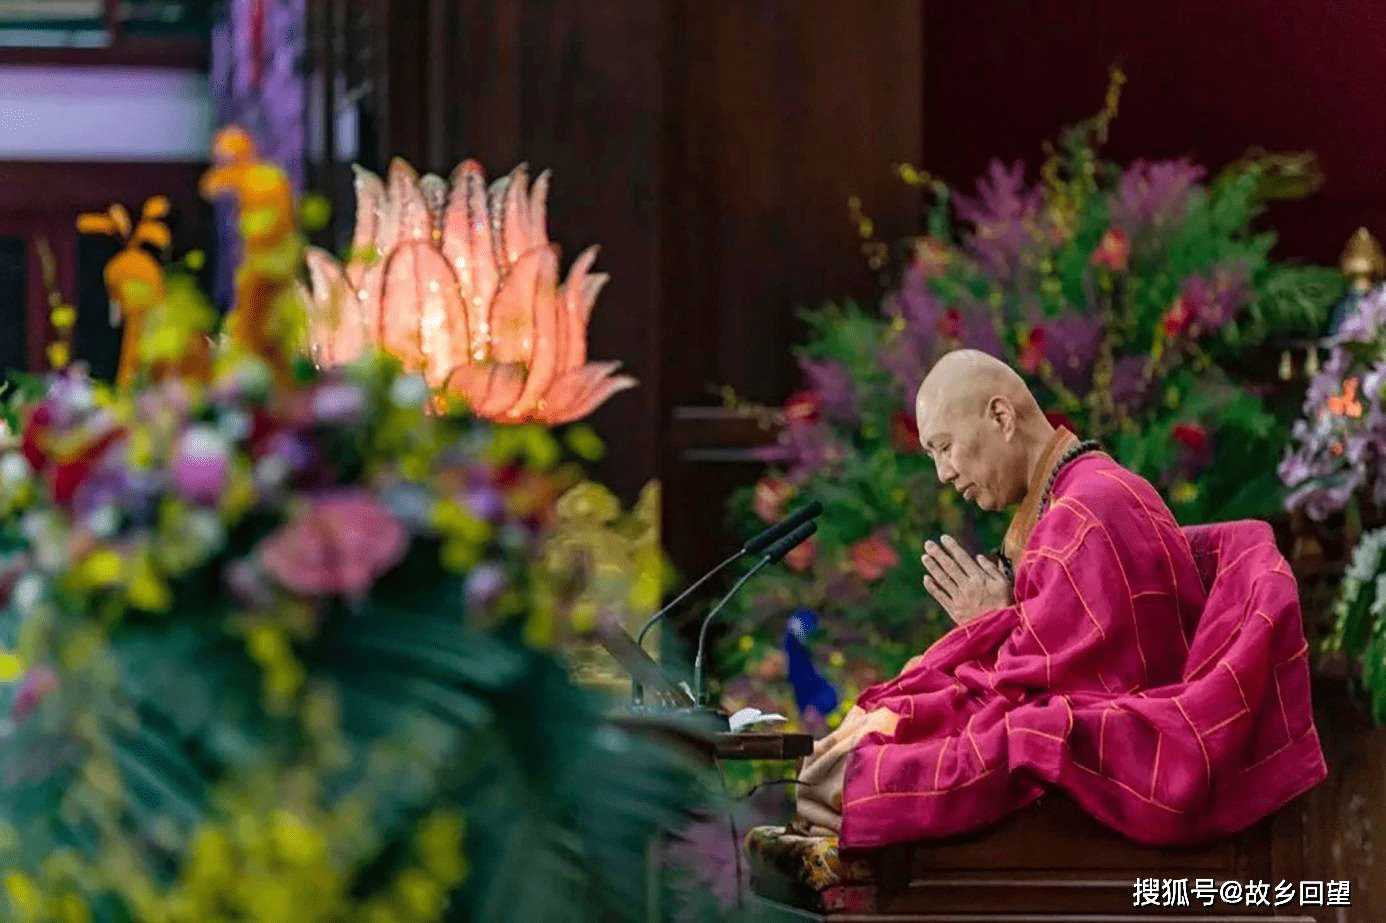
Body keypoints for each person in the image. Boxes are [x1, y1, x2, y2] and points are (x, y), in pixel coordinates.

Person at [794, 349, 1326, 849]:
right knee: (884, 729)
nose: (943, 473)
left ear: (1000, 416)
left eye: (945, 447)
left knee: (878, 758)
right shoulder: (1079, 497)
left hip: (1124, 809)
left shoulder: (1083, 514)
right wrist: (996, 628)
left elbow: (1055, 699)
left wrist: (993, 628)